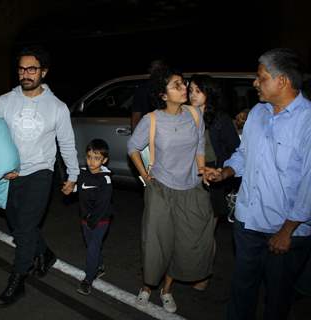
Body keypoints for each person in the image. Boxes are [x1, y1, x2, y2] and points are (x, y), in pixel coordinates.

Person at [204, 48, 311, 320]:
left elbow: (309, 183)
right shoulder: (258, 113)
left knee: (277, 299)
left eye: (260, 77)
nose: (254, 83)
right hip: (248, 222)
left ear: (282, 81)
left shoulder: (306, 121)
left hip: (284, 229)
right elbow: (244, 154)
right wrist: (226, 172)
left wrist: (288, 230)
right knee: (241, 292)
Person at [0, 45, 79, 307]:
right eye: (21, 69)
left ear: (44, 71)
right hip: (10, 174)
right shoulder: (4, 102)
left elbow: (67, 144)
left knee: (26, 228)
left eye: (32, 69)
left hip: (40, 173)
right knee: (19, 227)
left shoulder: (57, 107)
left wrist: (72, 175)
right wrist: (0, 167)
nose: (26, 74)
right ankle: (46, 254)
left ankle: (17, 281)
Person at [127, 66, 215, 313]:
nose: (184, 87)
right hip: (161, 189)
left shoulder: (195, 115)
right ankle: (147, 286)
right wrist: (145, 175)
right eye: (177, 85)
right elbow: (132, 147)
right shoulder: (152, 120)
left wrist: (202, 170)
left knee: (186, 243)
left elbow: (199, 147)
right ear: (163, 95)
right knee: (157, 243)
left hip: (190, 189)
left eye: (183, 83)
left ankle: (167, 290)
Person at [188, 75, 241, 290]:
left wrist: (221, 171)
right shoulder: (185, 115)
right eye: (190, 90)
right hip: (188, 175)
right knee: (190, 228)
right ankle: (189, 267)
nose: (192, 95)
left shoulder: (219, 119)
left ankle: (203, 274)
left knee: (206, 230)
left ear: (209, 94)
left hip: (211, 177)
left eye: (197, 91)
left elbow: (236, 150)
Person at [64, 139, 113, 296]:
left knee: (92, 248)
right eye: (89, 156)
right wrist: (71, 188)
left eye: (97, 158)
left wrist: (92, 222)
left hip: (100, 220)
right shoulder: (83, 172)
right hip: (85, 218)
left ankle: (88, 280)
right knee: (91, 244)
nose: (92, 161)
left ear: (104, 160)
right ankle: (99, 267)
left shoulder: (105, 179)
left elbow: (103, 205)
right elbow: (82, 188)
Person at [130, 60, 167, 130]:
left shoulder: (169, 87)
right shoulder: (142, 89)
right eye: (155, 68)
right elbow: (136, 116)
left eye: (159, 68)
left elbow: (136, 116)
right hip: (149, 131)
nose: (157, 71)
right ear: (150, 70)